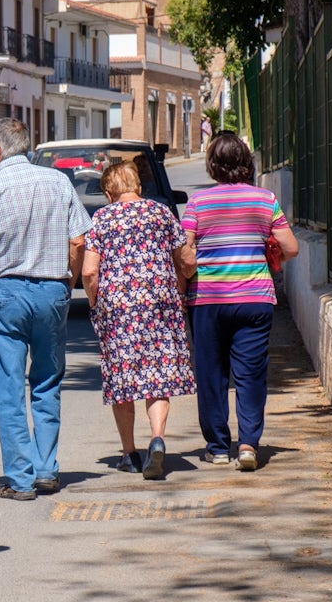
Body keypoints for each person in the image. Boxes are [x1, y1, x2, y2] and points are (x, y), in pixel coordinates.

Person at [0, 118, 92, 501]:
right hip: (51, 291)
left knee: (9, 389)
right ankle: (46, 469)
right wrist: (67, 282)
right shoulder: (59, 183)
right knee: (47, 382)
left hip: (6, 295)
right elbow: (78, 240)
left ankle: (20, 477)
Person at [181, 132, 298, 471]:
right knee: (250, 375)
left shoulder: (198, 203)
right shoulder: (265, 199)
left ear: (212, 165)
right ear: (246, 163)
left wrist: (186, 277)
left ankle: (218, 447)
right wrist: (264, 255)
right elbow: (290, 247)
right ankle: (248, 445)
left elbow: (185, 253)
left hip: (207, 301)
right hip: (254, 299)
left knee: (211, 374)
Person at [82, 162, 198, 479]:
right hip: (160, 305)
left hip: (118, 311)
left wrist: (95, 303)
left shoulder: (102, 219)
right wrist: (184, 277)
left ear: (108, 193)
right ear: (140, 188)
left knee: (123, 379)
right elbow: (187, 259)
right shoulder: (161, 213)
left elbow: (90, 271)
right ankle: (157, 439)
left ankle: (130, 453)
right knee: (157, 375)